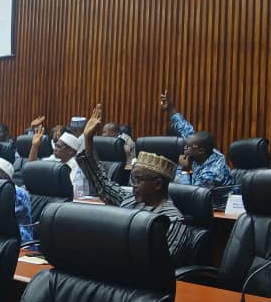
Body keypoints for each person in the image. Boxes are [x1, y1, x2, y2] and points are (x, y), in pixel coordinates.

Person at [77, 103, 188, 261]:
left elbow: (161, 265)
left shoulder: (173, 221)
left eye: (137, 180)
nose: (133, 185)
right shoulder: (129, 199)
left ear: (157, 184)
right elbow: (103, 184)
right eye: (132, 179)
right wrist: (88, 139)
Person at [160, 91, 234, 194]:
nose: (185, 148)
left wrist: (183, 170)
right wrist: (171, 108)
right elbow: (186, 129)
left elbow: (189, 195)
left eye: (188, 146)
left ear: (200, 151)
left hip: (219, 204)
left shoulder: (212, 173)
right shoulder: (205, 151)